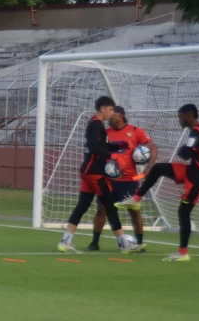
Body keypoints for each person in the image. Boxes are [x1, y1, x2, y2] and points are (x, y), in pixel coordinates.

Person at [115, 104, 199, 261]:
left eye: (181, 117)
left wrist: (184, 150)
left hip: (198, 179)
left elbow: (186, 153)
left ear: (188, 116)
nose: (179, 120)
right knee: (159, 168)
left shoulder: (195, 132)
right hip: (193, 171)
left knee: (183, 212)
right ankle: (136, 199)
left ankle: (183, 253)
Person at [57, 96, 145, 254]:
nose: (112, 113)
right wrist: (113, 156)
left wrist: (120, 145)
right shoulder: (96, 124)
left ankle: (65, 241)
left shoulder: (97, 124)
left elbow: (101, 145)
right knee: (110, 206)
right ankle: (122, 243)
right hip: (95, 173)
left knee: (83, 205)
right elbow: (93, 146)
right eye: (111, 109)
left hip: (88, 171)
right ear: (103, 108)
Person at [86, 106, 158, 251]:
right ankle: (94, 243)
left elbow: (153, 148)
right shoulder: (105, 132)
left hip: (129, 180)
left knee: (133, 210)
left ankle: (139, 243)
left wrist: (149, 167)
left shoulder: (136, 131)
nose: (109, 117)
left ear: (120, 115)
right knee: (102, 210)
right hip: (108, 179)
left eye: (113, 114)